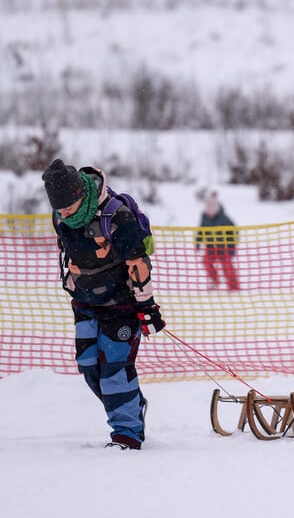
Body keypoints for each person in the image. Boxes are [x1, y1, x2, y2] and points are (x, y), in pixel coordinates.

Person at [42, 158, 164, 450]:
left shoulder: (115, 215)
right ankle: (132, 403)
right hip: (85, 303)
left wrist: (146, 306)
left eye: (68, 208)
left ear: (80, 194)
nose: (64, 215)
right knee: (89, 368)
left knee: (114, 369)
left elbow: (138, 262)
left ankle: (127, 433)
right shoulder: (61, 218)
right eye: (59, 210)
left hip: (121, 306)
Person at [196, 190, 239, 291]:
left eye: (212, 211)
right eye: (208, 211)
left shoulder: (224, 219)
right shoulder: (204, 218)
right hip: (211, 247)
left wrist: (232, 246)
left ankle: (233, 286)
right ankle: (214, 280)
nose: (210, 213)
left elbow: (234, 232)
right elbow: (201, 231)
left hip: (224, 247)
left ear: (216, 210)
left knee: (227, 266)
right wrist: (198, 242)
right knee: (207, 261)